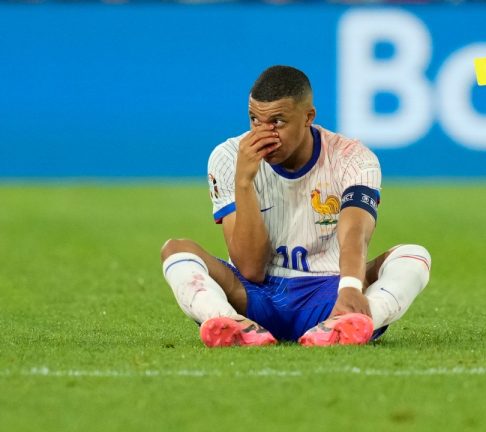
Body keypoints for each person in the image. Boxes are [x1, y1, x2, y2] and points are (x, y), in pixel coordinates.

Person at [160, 65, 431, 347]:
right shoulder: (229, 157)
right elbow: (251, 268)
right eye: (255, 120)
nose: (264, 135)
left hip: (330, 292)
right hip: (254, 295)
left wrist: (350, 287)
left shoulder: (353, 158)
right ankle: (231, 322)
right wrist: (244, 183)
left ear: (308, 117)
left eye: (277, 121)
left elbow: (355, 232)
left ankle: (350, 321)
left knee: (413, 255)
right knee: (175, 250)